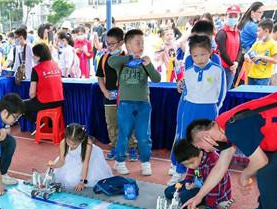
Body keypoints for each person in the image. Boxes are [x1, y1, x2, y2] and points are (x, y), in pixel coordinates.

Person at [169, 35, 226, 185]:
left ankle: (204, 174)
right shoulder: (188, 70)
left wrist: (215, 108)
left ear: (210, 53)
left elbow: (222, 92)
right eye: (195, 55)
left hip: (209, 109)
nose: (199, 59)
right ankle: (179, 171)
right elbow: (186, 91)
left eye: (203, 54)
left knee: (207, 141)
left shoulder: (217, 70)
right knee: (185, 139)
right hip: (190, 108)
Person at [108, 29, 161, 176]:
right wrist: (130, 56)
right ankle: (119, 161)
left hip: (143, 105)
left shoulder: (145, 62)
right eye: (138, 43)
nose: (141, 46)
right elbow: (111, 61)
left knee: (144, 136)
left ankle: (145, 162)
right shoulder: (122, 61)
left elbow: (157, 79)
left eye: (143, 43)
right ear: (128, 45)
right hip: (125, 105)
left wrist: (149, 65)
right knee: (124, 134)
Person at [97, 27, 138, 162]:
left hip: (126, 99)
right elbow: (100, 78)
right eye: (107, 43)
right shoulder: (104, 58)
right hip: (109, 99)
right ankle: (115, 147)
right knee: (112, 124)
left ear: (121, 43)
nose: (109, 46)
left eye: (112, 43)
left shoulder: (128, 58)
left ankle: (131, 148)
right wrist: (105, 92)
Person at [166, 139, 231, 209]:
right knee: (168, 192)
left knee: (181, 198)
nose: (190, 166)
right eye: (185, 164)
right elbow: (193, 170)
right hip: (199, 183)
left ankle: (202, 199)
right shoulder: (196, 158)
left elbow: (214, 190)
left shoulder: (212, 163)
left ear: (200, 154)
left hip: (211, 191)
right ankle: (189, 193)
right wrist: (188, 182)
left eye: (191, 162)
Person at [49, 123, 113, 191]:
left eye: (74, 144)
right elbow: (61, 161)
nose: (71, 145)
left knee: (74, 180)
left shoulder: (88, 143)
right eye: (69, 142)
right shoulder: (63, 143)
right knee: (62, 177)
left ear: (81, 140)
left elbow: (85, 164)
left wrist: (82, 182)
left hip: (88, 159)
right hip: (72, 159)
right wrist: (55, 165)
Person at [21, 43, 64, 126]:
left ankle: (37, 123)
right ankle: (47, 125)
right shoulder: (56, 66)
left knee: (20, 105)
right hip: (59, 102)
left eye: (34, 54)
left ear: (39, 56)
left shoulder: (36, 69)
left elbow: (32, 94)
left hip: (45, 102)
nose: (33, 56)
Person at [215, 5, 242, 89]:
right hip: (223, 67)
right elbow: (222, 51)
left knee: (228, 89)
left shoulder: (238, 32)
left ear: (239, 17)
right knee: (221, 90)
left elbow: (240, 49)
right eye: (230, 16)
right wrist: (232, 65)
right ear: (226, 16)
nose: (233, 18)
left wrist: (237, 62)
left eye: (235, 16)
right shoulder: (222, 32)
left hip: (232, 67)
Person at [246, 19, 277, 86]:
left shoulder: (273, 44)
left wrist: (261, 57)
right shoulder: (257, 43)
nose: (257, 33)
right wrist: (247, 57)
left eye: (259, 30)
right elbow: (248, 53)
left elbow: (276, 60)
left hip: (263, 77)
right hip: (252, 75)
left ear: (266, 31)